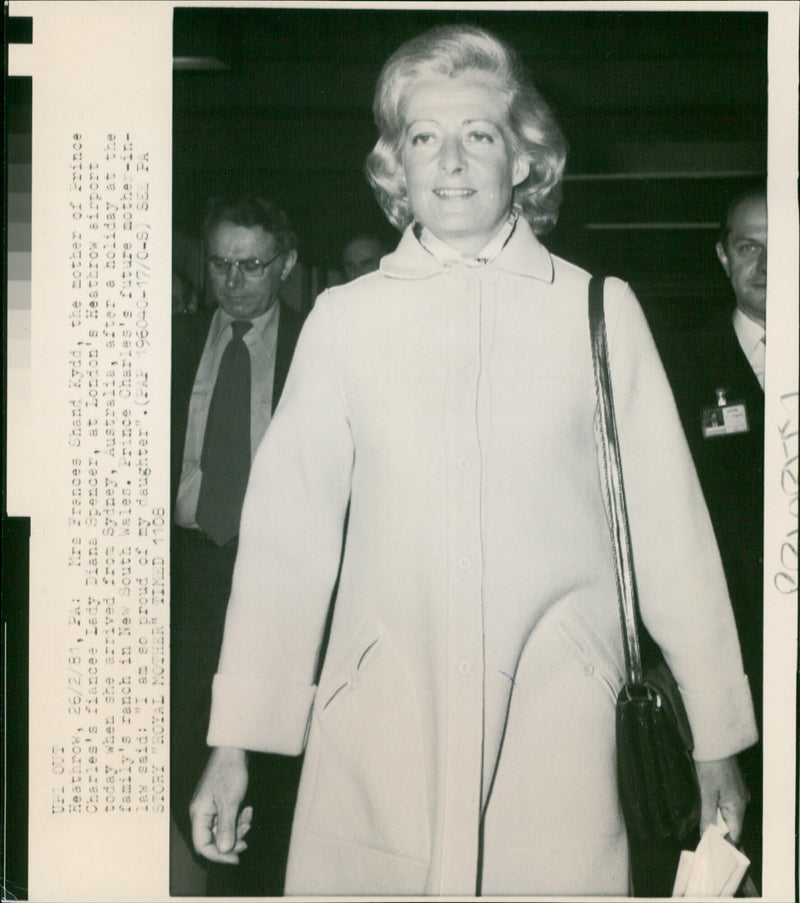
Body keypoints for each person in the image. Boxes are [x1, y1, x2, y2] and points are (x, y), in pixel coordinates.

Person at [190, 26, 757, 896]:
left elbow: (673, 536)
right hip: (382, 723)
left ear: (524, 161)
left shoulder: (599, 312)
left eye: (479, 135)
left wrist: (717, 734)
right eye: (424, 137)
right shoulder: (347, 321)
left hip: (558, 717)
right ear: (395, 167)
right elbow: (285, 552)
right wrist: (235, 744)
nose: (451, 162)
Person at [170, 194, 305, 895]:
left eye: (251, 265)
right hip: (188, 568)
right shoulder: (171, 340)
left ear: (283, 265)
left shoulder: (316, 344)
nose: (233, 280)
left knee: (267, 751)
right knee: (181, 737)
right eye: (220, 262)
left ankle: (251, 876)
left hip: (279, 573)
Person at [656, 187, 766, 890]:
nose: (765, 263)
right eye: (749, 246)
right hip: (733, 653)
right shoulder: (684, 361)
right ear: (723, 255)